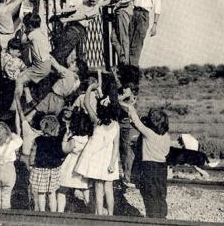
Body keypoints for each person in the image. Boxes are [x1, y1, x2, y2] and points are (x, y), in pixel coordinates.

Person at [75, 82, 120, 216]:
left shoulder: (96, 122)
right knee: (109, 188)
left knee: (98, 189)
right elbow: (116, 146)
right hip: (108, 159)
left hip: (96, 159)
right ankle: (110, 215)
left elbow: (87, 104)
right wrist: (112, 163)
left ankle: (99, 214)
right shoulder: (116, 125)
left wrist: (90, 88)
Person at [120, 104, 170, 219]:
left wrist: (128, 105)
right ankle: (162, 217)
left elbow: (136, 120)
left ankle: (151, 217)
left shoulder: (148, 134)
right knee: (160, 194)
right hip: (162, 168)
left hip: (149, 167)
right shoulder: (167, 136)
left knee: (148, 194)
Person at [52, 0, 103, 67]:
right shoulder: (85, 2)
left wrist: (67, 19)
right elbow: (75, 8)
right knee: (61, 50)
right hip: (71, 26)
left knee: (62, 52)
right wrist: (60, 10)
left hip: (77, 29)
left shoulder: (95, 9)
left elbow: (81, 17)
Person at [26, 56, 86, 120]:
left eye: (73, 63)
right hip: (61, 102)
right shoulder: (77, 82)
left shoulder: (68, 73)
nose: (70, 63)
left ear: (76, 69)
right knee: (51, 119)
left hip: (53, 97)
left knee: (34, 112)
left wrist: (47, 55)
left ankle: (23, 124)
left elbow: (55, 64)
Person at [57, 109, 92, 212]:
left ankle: (60, 211)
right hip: (83, 167)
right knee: (85, 188)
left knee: (62, 189)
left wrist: (64, 139)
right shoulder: (89, 138)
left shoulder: (74, 139)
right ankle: (90, 208)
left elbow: (65, 149)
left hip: (70, 167)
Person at [15, 13, 51, 108]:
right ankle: (29, 99)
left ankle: (16, 106)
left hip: (40, 66)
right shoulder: (42, 32)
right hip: (46, 64)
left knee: (19, 79)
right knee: (23, 74)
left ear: (29, 26)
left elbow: (22, 41)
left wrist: (24, 31)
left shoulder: (32, 35)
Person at [29, 115, 64, 212]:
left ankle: (42, 213)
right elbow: (60, 154)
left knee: (41, 193)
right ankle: (53, 214)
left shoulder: (37, 140)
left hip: (40, 169)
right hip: (54, 169)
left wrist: (31, 164)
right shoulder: (57, 140)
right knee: (52, 193)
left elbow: (33, 153)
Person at [129, 0, 161, 66]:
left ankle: (133, 67)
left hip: (144, 16)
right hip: (133, 13)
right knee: (128, 39)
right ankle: (126, 67)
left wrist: (154, 25)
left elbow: (157, 11)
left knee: (137, 42)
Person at [107, 0, 135, 65]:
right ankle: (123, 58)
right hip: (121, 11)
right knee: (114, 38)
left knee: (123, 39)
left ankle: (126, 65)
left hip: (123, 11)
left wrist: (119, 3)